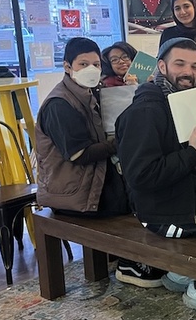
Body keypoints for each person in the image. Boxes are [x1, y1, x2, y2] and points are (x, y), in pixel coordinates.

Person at [116, 37, 196, 318]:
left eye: (195, 66)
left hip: (189, 196)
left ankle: (180, 274)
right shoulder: (146, 111)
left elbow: (195, 166)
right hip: (165, 211)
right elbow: (141, 176)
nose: (189, 72)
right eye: (180, 64)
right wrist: (192, 153)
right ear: (161, 66)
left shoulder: (179, 101)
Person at [35, 36, 129, 217]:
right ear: (67, 67)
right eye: (83, 64)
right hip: (73, 192)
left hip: (92, 176)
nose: (91, 70)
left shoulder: (91, 93)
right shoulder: (59, 105)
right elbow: (79, 154)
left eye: (96, 64)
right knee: (131, 204)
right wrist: (122, 141)